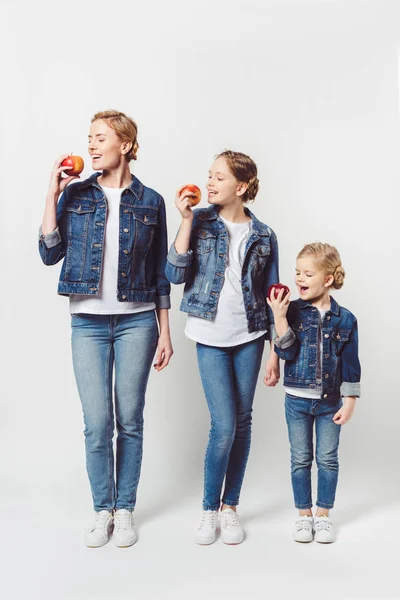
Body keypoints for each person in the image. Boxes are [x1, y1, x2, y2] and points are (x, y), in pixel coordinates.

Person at [38, 110, 173, 548]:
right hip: (88, 324)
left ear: (126, 145)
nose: (92, 146)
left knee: (129, 419)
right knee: (97, 423)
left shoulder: (151, 201)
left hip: (138, 321)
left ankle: (125, 509)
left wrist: (164, 331)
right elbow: (48, 252)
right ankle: (102, 508)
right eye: (89, 139)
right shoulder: (76, 194)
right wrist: (52, 194)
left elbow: (159, 275)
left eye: (100, 138)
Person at [165, 150, 280, 545]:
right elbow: (174, 272)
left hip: (250, 336)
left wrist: (275, 352)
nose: (210, 182)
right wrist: (183, 220)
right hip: (210, 336)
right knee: (224, 425)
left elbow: (274, 297)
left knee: (243, 422)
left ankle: (231, 508)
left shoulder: (264, 235)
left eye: (219, 177)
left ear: (242, 186)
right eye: (209, 175)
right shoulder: (197, 222)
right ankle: (208, 509)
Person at [267, 242, 361, 543]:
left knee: (328, 459)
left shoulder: (345, 319)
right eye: (297, 272)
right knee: (300, 458)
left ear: (328, 279)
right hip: (296, 400)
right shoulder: (292, 310)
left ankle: (323, 514)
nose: (299, 279)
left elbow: (350, 363)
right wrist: (279, 319)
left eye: (308, 273)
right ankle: (304, 514)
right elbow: (289, 351)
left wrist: (350, 401)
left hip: (330, 401)